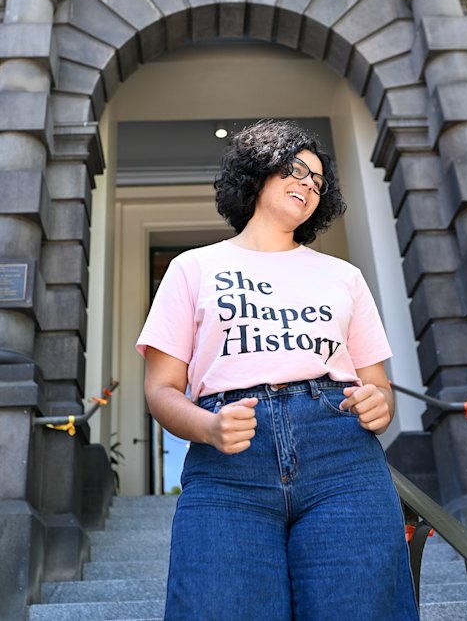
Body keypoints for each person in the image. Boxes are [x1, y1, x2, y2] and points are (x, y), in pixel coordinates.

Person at [136, 119, 419, 621]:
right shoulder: (192, 267)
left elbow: (377, 385)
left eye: (318, 180)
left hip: (343, 461)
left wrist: (380, 404)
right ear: (257, 172)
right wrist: (207, 426)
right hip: (227, 465)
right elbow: (160, 389)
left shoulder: (343, 277)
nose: (309, 184)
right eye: (296, 169)